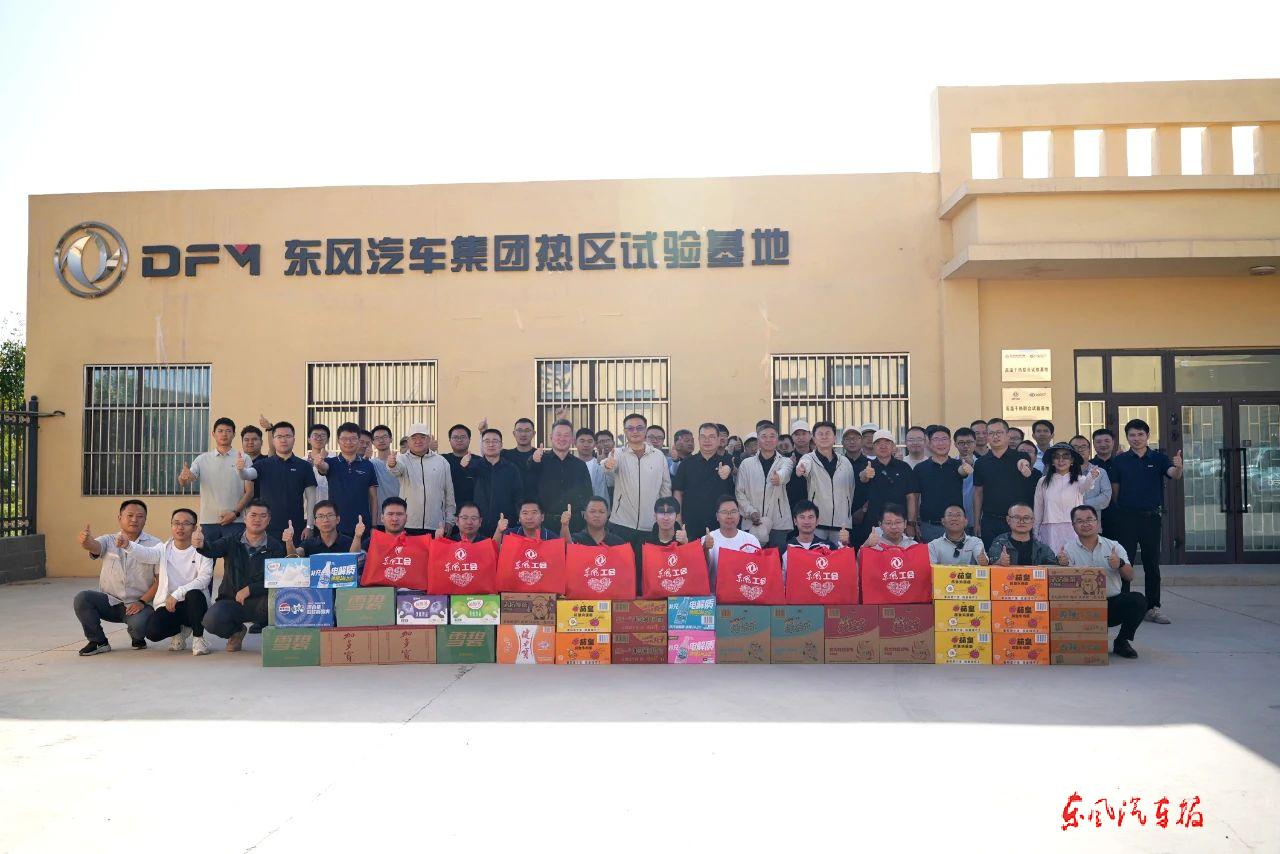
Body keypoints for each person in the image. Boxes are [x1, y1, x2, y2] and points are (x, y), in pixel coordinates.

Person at [1111, 418, 1183, 625]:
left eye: (1140, 434)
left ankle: (1153, 608)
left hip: (1151, 518)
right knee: (1124, 563)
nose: (1136, 438)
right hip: (1127, 518)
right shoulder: (1120, 460)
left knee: (1152, 564)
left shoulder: (1159, 458)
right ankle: (1123, 607)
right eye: (1132, 435)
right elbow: (1115, 490)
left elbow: (1173, 475)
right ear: (1127, 437)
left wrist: (1179, 467)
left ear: (1147, 436)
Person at [196, 499, 286, 652]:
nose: (257, 519)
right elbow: (212, 549)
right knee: (211, 620)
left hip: (262, 602)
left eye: (263, 516)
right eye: (253, 515)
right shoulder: (231, 541)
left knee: (283, 606)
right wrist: (201, 544)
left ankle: (277, 642)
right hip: (232, 600)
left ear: (269, 520)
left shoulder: (275, 547)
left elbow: (278, 580)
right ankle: (236, 631)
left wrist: (251, 589)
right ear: (245, 518)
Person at [73, 500, 161, 655]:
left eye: (140, 516)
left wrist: (142, 602)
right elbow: (94, 546)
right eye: (130, 515)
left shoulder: (155, 545)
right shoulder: (108, 540)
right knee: (83, 598)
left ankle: (137, 636)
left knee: (140, 626)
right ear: (120, 518)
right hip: (110, 602)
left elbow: (160, 580)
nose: (134, 519)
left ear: (145, 520)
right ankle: (98, 641)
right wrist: (86, 542)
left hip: (138, 604)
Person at [1060, 504, 1148, 658]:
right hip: (1082, 607)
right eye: (1080, 521)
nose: (1085, 524)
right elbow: (1063, 586)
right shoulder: (1067, 550)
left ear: (1098, 522)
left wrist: (1120, 564)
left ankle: (1122, 641)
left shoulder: (1113, 546)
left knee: (1138, 600)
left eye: (1089, 519)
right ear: (1073, 526)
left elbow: (1130, 576)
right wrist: (1062, 566)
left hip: (1112, 605)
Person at [128, 508, 215, 655]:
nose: (180, 527)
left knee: (194, 594)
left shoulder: (204, 550)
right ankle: (179, 631)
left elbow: (204, 579)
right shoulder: (163, 549)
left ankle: (198, 639)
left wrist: (177, 593)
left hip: (195, 603)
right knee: (152, 632)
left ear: (194, 527)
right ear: (171, 525)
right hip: (169, 604)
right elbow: (145, 554)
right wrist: (128, 545)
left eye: (186, 523)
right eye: (176, 523)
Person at [602, 412, 673, 561]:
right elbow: (608, 467)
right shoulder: (618, 453)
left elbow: (665, 488)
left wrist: (665, 516)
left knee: (646, 569)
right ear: (625, 431)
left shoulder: (658, 456)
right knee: (621, 568)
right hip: (621, 524)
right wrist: (608, 465)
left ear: (645, 430)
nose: (635, 431)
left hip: (651, 525)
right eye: (630, 428)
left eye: (639, 428)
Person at [178, 417, 254, 546]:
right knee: (206, 557)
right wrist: (183, 478)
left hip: (236, 521)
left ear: (234, 434)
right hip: (208, 522)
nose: (224, 434)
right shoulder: (202, 459)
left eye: (228, 431)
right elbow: (187, 480)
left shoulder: (243, 458)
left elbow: (249, 492)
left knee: (235, 558)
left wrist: (235, 514)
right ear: (213, 434)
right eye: (220, 431)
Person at [244, 419, 317, 542]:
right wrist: (241, 469)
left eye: (288, 436)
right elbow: (246, 475)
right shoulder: (263, 464)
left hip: (295, 526)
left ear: (294, 439)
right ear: (273, 440)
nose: (283, 440)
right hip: (267, 527)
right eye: (279, 437)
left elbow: (311, 498)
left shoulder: (304, 466)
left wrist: (310, 526)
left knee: (294, 554)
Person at [972, 418, 1037, 546]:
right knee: (992, 556)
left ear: (1007, 435)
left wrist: (1025, 468)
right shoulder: (980, 463)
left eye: (999, 432)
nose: (995, 436)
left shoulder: (1021, 457)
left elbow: (1024, 465)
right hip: (990, 521)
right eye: (991, 433)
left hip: (1017, 521)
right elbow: (978, 493)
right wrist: (976, 522)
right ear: (987, 437)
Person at [313, 422, 379, 542]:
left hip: (362, 524)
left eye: (353, 438)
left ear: (358, 441)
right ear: (338, 441)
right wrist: (318, 464)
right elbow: (323, 468)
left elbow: (373, 498)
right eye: (344, 439)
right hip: (336, 526)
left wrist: (374, 526)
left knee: (362, 553)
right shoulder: (331, 462)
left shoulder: (368, 465)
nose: (348, 442)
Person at [387, 423, 456, 535]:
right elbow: (397, 470)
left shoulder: (442, 462)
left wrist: (449, 520)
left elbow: (449, 493)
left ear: (429, 439)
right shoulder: (402, 459)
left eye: (422, 437)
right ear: (408, 441)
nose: (418, 441)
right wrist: (392, 464)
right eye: (414, 438)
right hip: (408, 524)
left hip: (436, 525)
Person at [1033, 443, 1103, 553]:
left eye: (1065, 456)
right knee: (1051, 558)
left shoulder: (1079, 480)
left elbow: (1087, 484)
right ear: (1052, 461)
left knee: (1074, 558)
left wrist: (1093, 475)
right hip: (1050, 529)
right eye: (1056, 457)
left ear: (1072, 461)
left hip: (1073, 528)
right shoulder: (1043, 481)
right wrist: (1035, 531)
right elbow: (1038, 508)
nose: (1061, 460)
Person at [525, 419, 593, 533]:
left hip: (574, 524)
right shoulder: (540, 460)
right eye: (558, 434)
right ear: (551, 437)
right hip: (544, 524)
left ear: (572, 439)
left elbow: (588, 494)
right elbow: (529, 482)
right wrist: (534, 460)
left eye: (566, 435)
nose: (562, 438)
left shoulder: (580, 465)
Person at [735, 421, 794, 550]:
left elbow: (785, 473)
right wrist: (751, 511)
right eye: (764, 436)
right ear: (758, 440)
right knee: (752, 559)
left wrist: (779, 477)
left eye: (772, 436)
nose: (768, 440)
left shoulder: (785, 461)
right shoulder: (746, 464)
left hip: (778, 522)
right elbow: (739, 492)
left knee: (777, 559)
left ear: (777, 439)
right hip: (751, 521)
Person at [853, 429, 921, 539]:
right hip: (873, 526)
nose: (883, 446)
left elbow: (911, 497)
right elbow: (862, 477)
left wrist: (911, 523)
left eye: (887, 442)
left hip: (899, 525)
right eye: (878, 443)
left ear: (893, 446)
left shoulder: (904, 467)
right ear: (873, 447)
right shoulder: (866, 465)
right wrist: (866, 474)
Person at [672, 422, 736, 538]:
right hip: (691, 524)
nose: (707, 441)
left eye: (711, 437)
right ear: (698, 439)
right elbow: (678, 492)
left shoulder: (725, 463)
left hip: (719, 525)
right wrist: (678, 519)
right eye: (703, 437)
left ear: (718, 440)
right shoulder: (686, 464)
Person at [794, 421, 855, 541]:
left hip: (841, 523)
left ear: (834, 438)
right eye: (820, 434)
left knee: (841, 552)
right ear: (814, 439)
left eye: (827, 433)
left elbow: (851, 490)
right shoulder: (809, 458)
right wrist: (801, 469)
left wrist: (847, 512)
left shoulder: (845, 462)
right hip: (817, 523)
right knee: (816, 552)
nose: (824, 437)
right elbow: (804, 465)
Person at [914, 425, 970, 544]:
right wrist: (913, 523)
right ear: (929, 444)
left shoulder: (958, 465)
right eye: (936, 439)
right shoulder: (920, 468)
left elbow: (964, 472)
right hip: (929, 526)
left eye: (944, 439)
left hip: (955, 525)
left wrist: (967, 466)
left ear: (950, 442)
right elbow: (915, 498)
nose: (941, 443)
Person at [466, 427, 525, 538]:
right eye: (487, 441)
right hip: (479, 526)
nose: (491, 444)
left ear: (501, 445)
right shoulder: (474, 466)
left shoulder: (511, 468)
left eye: (495, 441)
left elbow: (518, 496)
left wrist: (519, 518)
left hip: (506, 524)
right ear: (482, 445)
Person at [699, 496, 761, 578]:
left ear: (739, 515)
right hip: (716, 586)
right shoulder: (707, 539)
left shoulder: (751, 540)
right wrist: (705, 548)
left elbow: (759, 569)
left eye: (733, 511)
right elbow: (701, 570)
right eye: (724, 512)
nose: (729, 516)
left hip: (743, 585)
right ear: (717, 516)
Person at [783, 500, 849, 575]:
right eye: (802, 517)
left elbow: (842, 569)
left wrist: (844, 544)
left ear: (817, 521)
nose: (806, 522)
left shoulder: (828, 547)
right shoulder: (785, 549)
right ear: (795, 521)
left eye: (810, 517)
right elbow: (781, 578)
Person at [986, 502, 1056, 566]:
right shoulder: (999, 544)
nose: (1022, 521)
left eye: (1026, 518)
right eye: (1017, 517)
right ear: (1008, 520)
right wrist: (999, 562)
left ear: (1033, 521)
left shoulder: (1041, 548)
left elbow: (1053, 567)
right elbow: (989, 565)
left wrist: (1060, 561)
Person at [285, 499, 361, 556]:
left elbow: (355, 559)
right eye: (321, 516)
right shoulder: (308, 544)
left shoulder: (349, 542)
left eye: (330, 515)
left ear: (338, 519)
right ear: (315, 522)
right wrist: (289, 542)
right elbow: (294, 557)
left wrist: (357, 536)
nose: (325, 520)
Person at [1070, 434, 1112, 515]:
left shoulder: (1100, 472)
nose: (1079, 450)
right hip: (1067, 520)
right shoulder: (1063, 473)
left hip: (1092, 519)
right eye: (1075, 447)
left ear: (1089, 450)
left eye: (1083, 447)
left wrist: (1080, 504)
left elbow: (1106, 498)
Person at [1091, 427, 1122, 538]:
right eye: (1098, 442)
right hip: (1094, 514)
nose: (1103, 444)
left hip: (1119, 516)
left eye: (1107, 441)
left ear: (1113, 442)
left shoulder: (1121, 464)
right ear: (1093, 444)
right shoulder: (1089, 466)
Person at [364, 426, 401, 509]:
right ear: (373, 442)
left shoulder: (401, 461)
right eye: (377, 438)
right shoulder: (371, 463)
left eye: (384, 437)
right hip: (379, 512)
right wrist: (366, 457)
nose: (381, 440)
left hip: (400, 510)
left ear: (391, 439)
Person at [443, 424, 478, 507]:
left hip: (472, 509)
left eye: (463, 437)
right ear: (449, 440)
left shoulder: (478, 461)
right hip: (447, 509)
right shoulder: (442, 460)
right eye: (455, 437)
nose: (459, 440)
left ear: (469, 440)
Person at [953, 426, 979, 528]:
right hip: (955, 519)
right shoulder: (951, 464)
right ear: (955, 444)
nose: (966, 446)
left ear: (975, 443)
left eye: (969, 442)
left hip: (977, 518)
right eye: (961, 443)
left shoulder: (982, 464)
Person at [786, 419, 813, 513]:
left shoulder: (817, 457)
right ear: (792, 437)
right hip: (792, 507)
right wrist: (790, 467)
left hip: (815, 506)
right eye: (797, 434)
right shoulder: (786, 458)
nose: (801, 437)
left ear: (810, 435)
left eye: (804, 433)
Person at [306, 423, 333, 500]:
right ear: (309, 440)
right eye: (315, 435)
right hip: (308, 505)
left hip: (329, 504)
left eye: (323, 435)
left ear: (327, 440)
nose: (319, 438)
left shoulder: (334, 460)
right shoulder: (302, 462)